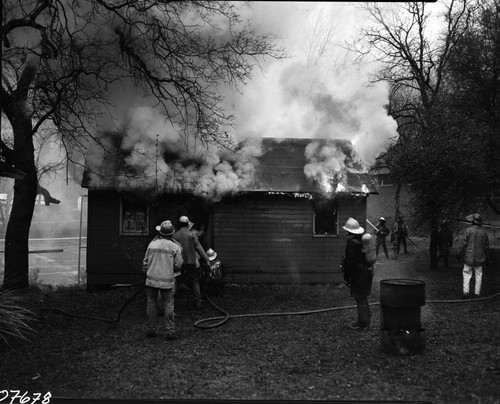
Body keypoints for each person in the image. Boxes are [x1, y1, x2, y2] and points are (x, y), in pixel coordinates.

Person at [142, 220, 183, 339]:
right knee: (168, 305)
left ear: (160, 232)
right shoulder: (175, 246)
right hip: (167, 280)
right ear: (171, 234)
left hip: (151, 280)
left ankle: (150, 329)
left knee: (151, 305)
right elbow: (178, 265)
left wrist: (148, 271)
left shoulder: (152, 244)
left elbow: (145, 263)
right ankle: (170, 331)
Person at [341, 217, 374, 330]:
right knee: (363, 298)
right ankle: (366, 321)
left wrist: (346, 276)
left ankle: (363, 323)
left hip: (359, 275)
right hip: (366, 272)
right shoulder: (361, 241)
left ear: (349, 232)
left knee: (360, 299)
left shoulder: (351, 244)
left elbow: (350, 262)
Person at [173, 215, 211, 310]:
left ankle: (170, 304)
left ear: (179, 224)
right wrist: (207, 259)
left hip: (179, 263)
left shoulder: (174, 235)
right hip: (191, 262)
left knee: (176, 282)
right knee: (195, 282)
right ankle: (199, 303)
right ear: (187, 224)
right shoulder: (192, 235)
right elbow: (199, 248)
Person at [458, 213, 489, 298]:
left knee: (466, 274)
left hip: (469, 257)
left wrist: (459, 254)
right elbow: (486, 247)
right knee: (479, 275)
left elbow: (463, 244)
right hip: (480, 257)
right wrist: (487, 258)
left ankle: (465, 292)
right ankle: (477, 293)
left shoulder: (468, 230)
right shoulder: (484, 232)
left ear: (473, 221)